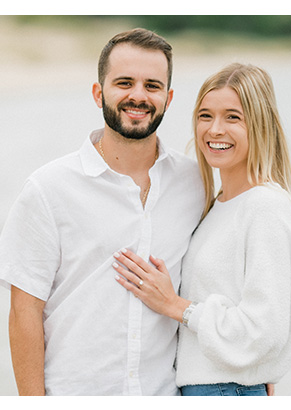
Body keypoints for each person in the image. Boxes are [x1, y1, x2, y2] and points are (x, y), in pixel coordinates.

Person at [0, 28, 204, 395]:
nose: (138, 96)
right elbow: (23, 312)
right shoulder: (48, 189)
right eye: (124, 82)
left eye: (152, 86)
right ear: (99, 93)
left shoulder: (195, 184)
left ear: (168, 98)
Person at [109, 63, 291, 396]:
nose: (215, 130)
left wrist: (176, 305)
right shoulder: (217, 204)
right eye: (205, 115)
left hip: (225, 390)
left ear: (260, 124)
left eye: (233, 117)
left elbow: (265, 331)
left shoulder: (265, 207)